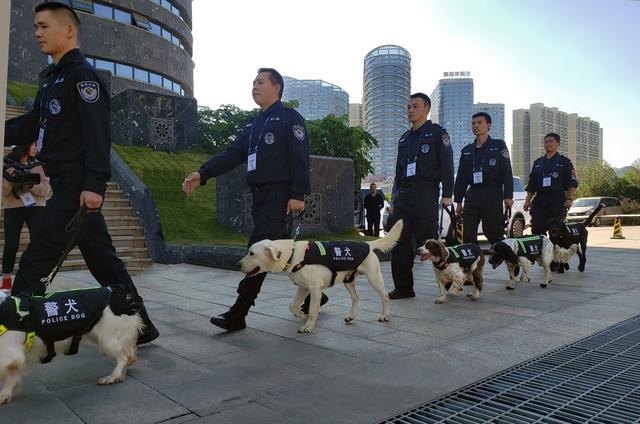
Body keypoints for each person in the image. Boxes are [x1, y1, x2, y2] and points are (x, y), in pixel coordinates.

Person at [3, 2, 158, 344]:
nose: (37, 33)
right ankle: (142, 326)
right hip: (62, 185)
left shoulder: (81, 77)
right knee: (105, 263)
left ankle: (11, 337)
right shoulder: (52, 80)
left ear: (69, 30)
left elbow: (98, 135)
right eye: (35, 27)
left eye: (44, 26)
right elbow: (30, 125)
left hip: (76, 187)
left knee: (34, 262)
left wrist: (94, 185)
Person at [183, 68, 324, 331]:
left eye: (260, 82)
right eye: (253, 83)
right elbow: (231, 154)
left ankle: (239, 312)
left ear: (277, 88)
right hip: (259, 198)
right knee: (278, 254)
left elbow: (300, 157)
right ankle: (318, 295)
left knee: (258, 253)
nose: (254, 87)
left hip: (280, 196)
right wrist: (202, 174)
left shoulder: (289, 118)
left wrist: (297, 194)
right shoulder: (253, 125)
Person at [387, 93, 454, 299]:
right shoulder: (404, 138)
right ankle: (404, 287)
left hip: (426, 193)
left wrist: (448, 193)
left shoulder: (437, 134)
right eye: (408, 107)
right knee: (399, 243)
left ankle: (449, 279)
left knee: (431, 242)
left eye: (415, 106)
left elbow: (447, 164)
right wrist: (393, 199)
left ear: (427, 109)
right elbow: (398, 172)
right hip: (404, 196)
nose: (410, 110)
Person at [454, 112, 514, 245]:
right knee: (468, 233)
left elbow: (507, 171)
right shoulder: (467, 150)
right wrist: (458, 201)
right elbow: (461, 177)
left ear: (488, 125)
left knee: (492, 231)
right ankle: (472, 264)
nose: (475, 126)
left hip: (492, 192)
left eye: (479, 123)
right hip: (473, 194)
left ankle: (507, 260)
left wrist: (508, 196)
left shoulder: (499, 145)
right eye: (473, 123)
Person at [2, 142, 52, 292]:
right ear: (23, 146)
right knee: (11, 244)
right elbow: (3, 192)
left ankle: (35, 279)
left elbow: (46, 190)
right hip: (13, 206)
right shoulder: (6, 163)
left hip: (36, 207)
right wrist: (11, 179)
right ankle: (6, 281)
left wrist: (29, 183)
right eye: (32, 145)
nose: (36, 148)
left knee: (38, 243)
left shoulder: (39, 163)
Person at [523, 132, 578, 235]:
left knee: (557, 233)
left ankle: (556, 251)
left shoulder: (565, 162)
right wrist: (527, 201)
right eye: (546, 142)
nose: (547, 144)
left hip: (557, 201)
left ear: (558, 144)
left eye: (551, 141)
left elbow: (572, 183)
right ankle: (541, 251)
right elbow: (531, 186)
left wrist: (570, 199)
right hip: (540, 201)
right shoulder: (537, 163)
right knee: (537, 230)